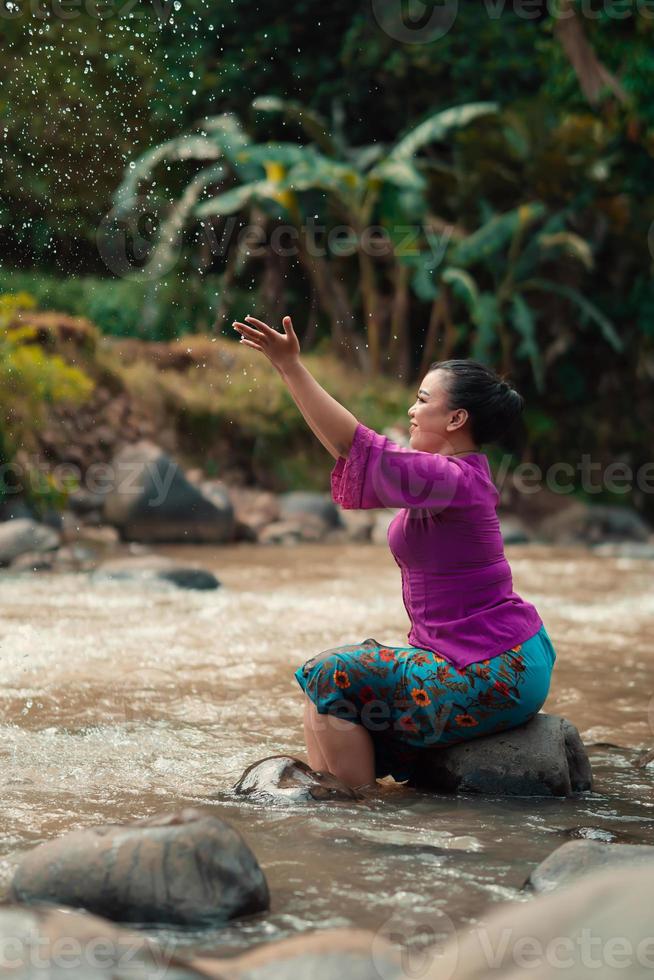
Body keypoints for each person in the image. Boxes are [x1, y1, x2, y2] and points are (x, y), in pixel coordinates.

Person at [232, 312, 557, 792]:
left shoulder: (452, 478)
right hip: (497, 658)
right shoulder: (445, 478)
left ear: (456, 418)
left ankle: (359, 816)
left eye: (423, 399)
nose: (411, 409)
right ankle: (332, 798)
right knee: (326, 690)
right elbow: (347, 451)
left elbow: (355, 443)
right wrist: (286, 370)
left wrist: (291, 368)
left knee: (331, 673)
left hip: (496, 667)